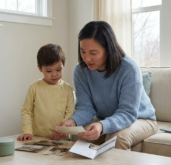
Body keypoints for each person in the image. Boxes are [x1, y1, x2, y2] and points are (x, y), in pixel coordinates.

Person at [55, 21, 158, 150]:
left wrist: (102, 125)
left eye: (93, 53)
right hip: (105, 118)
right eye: (83, 51)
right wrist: (73, 122)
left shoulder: (129, 69)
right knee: (79, 135)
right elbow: (85, 107)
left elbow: (128, 113)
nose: (87, 59)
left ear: (108, 50)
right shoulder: (80, 71)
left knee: (116, 139)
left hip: (141, 118)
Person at [17, 44, 75, 141]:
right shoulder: (34, 87)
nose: (54, 74)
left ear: (63, 66)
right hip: (38, 138)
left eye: (58, 70)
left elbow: (70, 113)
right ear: (40, 68)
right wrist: (27, 131)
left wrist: (60, 132)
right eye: (48, 71)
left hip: (61, 139)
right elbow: (26, 111)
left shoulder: (68, 89)